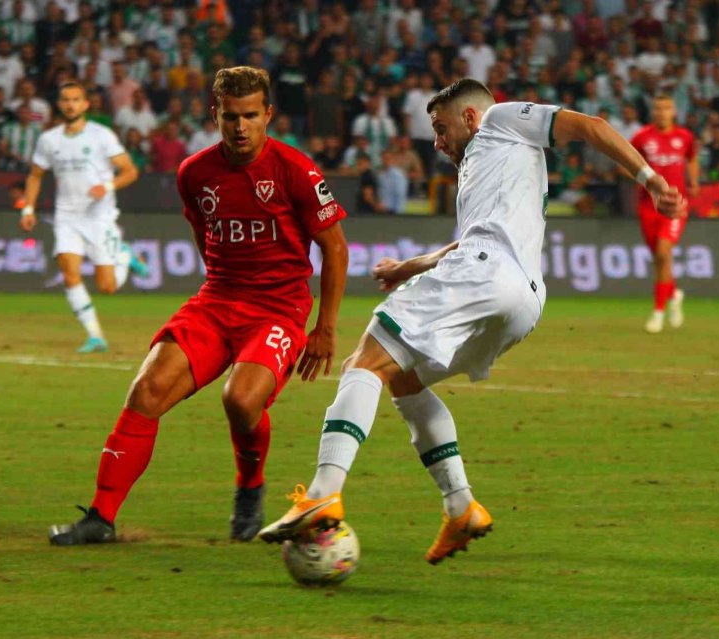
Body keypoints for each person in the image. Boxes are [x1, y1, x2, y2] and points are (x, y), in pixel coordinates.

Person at [258, 79, 684, 564]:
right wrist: (409, 267)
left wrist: (651, 180)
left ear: (470, 118)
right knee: (403, 380)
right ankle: (460, 507)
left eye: (440, 129)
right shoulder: (489, 168)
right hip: (522, 300)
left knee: (366, 361)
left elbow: (590, 126)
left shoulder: (501, 122)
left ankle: (322, 492)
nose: (436, 142)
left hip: (489, 275)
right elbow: (475, 241)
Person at [47, 66, 349, 546]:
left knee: (240, 400)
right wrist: (219, 286)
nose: (240, 126)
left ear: (268, 114)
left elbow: (334, 247)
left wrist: (325, 327)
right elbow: (204, 234)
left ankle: (250, 487)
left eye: (251, 115)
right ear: (216, 115)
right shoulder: (194, 172)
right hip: (217, 300)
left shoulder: (296, 169)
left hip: (278, 309)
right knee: (146, 391)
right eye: (231, 116)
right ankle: (100, 518)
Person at [20, 81, 148, 353]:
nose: (70, 104)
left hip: (99, 217)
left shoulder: (101, 135)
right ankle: (95, 336)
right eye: (66, 99)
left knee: (107, 287)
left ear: (85, 104)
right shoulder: (49, 140)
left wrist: (108, 186)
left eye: (76, 99)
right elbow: (35, 175)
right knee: (69, 273)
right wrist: (28, 209)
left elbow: (130, 171)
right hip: (66, 217)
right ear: (59, 104)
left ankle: (124, 255)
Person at [630, 94, 699, 334]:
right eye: (658, 108)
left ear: (674, 112)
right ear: (653, 112)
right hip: (648, 206)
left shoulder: (685, 137)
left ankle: (658, 312)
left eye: (666, 108)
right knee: (660, 259)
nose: (662, 112)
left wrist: (694, 181)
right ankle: (674, 293)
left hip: (676, 204)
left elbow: (691, 158)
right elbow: (628, 160)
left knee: (663, 252)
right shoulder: (642, 137)